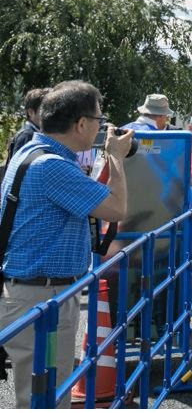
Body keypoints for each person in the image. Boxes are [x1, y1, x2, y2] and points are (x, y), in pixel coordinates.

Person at [0, 80, 133, 408]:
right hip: (41, 296)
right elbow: (116, 208)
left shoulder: (33, 152)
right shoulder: (53, 167)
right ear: (81, 124)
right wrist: (115, 157)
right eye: (99, 120)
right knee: (44, 397)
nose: (101, 128)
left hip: (32, 291)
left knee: (43, 391)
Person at [3, 88, 50, 166]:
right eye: (43, 110)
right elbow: (18, 168)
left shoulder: (35, 132)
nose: (48, 114)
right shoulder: (27, 135)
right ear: (30, 112)